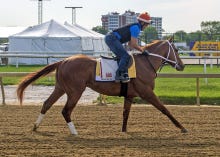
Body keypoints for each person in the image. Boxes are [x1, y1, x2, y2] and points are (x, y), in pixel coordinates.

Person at [105, 12, 152, 83]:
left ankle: (122, 73)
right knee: (125, 56)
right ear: (142, 23)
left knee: (124, 56)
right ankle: (119, 75)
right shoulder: (136, 28)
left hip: (111, 38)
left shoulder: (136, 27)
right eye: (147, 25)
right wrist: (142, 51)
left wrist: (136, 50)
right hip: (112, 38)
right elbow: (133, 44)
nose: (147, 27)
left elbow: (130, 44)